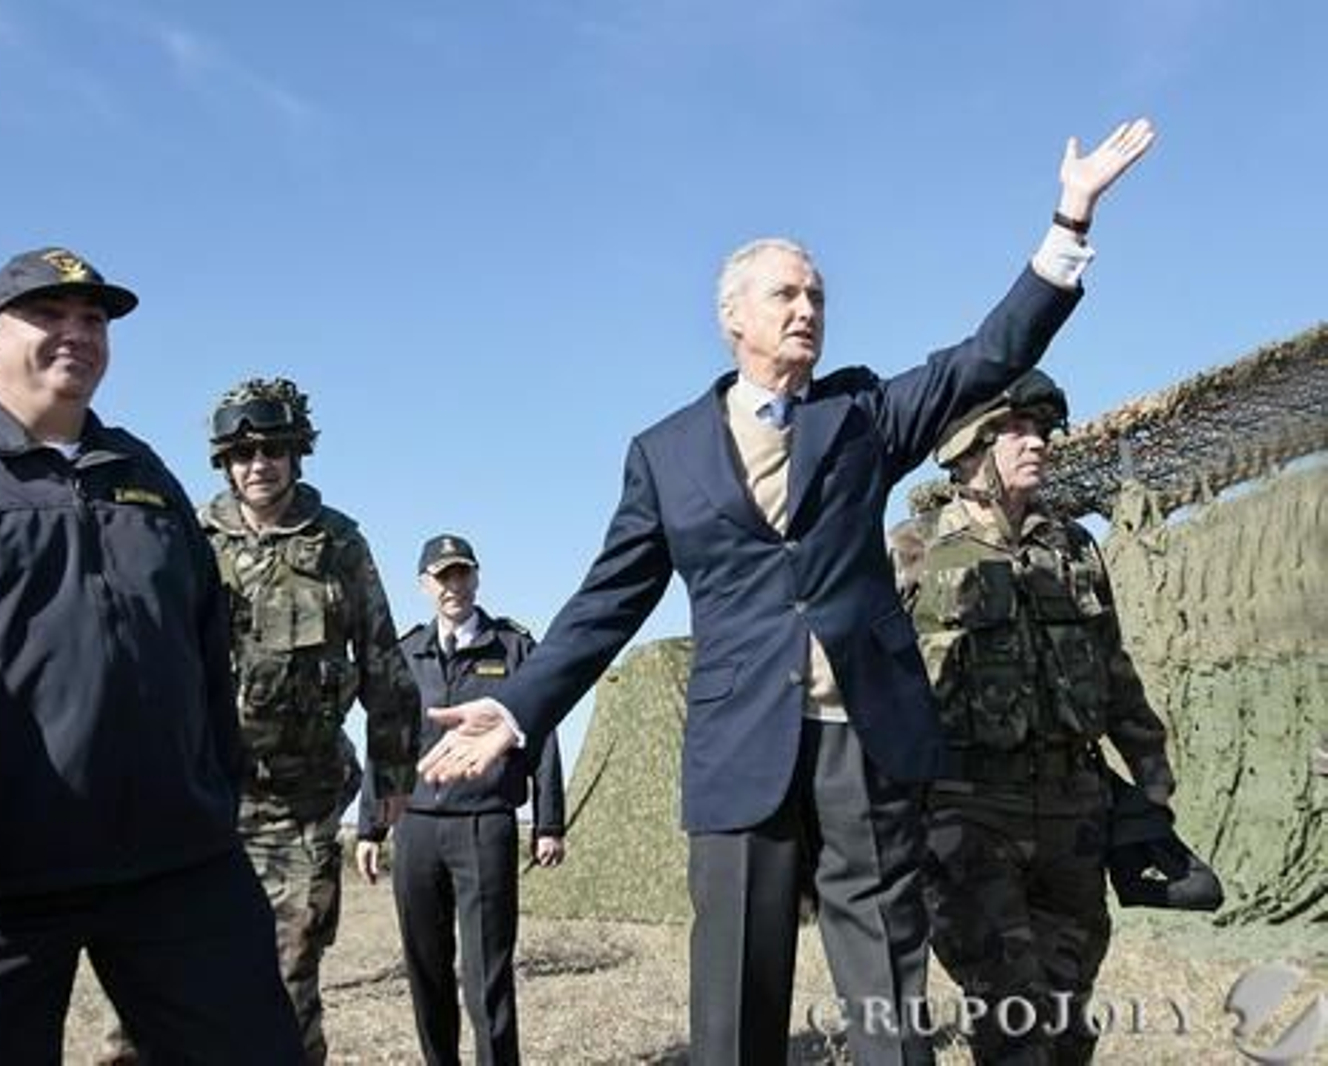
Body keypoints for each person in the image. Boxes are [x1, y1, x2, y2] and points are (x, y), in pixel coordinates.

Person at [416, 120, 1158, 1065]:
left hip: (869, 737)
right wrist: (519, 712)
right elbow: (608, 602)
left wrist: (1069, 221)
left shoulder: (863, 415)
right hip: (739, 748)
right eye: (785, 294)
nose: (806, 307)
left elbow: (989, 354)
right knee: (734, 999)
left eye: (816, 294)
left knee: (890, 993)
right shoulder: (666, 453)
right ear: (734, 316)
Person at [0, 247, 303, 1064]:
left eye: (93, 320)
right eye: (48, 315)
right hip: (1, 878)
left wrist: (212, 798)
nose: (77, 333)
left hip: (176, 863)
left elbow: (204, 650)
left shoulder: (139, 473)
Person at [888, 370, 1176, 1063]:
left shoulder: (1073, 546)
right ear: (967, 448)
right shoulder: (912, 549)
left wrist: (1150, 771)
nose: (1038, 443)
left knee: (1068, 1019)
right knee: (1013, 1017)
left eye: (1042, 430)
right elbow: (873, 686)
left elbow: (1112, 665)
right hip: (967, 813)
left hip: (1074, 811)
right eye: (1016, 429)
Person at [201, 375, 420, 1065]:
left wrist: (394, 773)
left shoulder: (338, 544)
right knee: (173, 980)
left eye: (272, 449)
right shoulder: (190, 541)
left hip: (303, 802)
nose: (257, 464)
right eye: (241, 454)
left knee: (290, 978)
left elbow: (383, 657)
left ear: (297, 454)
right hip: (205, 796)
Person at [354, 534, 567, 1066]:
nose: (454, 586)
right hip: (418, 828)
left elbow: (541, 736)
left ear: (476, 578)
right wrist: (369, 829)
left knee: (486, 974)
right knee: (425, 971)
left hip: (485, 825)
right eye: (442, 576)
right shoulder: (406, 653)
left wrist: (549, 822)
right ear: (424, 585)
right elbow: (386, 745)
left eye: (462, 574)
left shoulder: (514, 647)